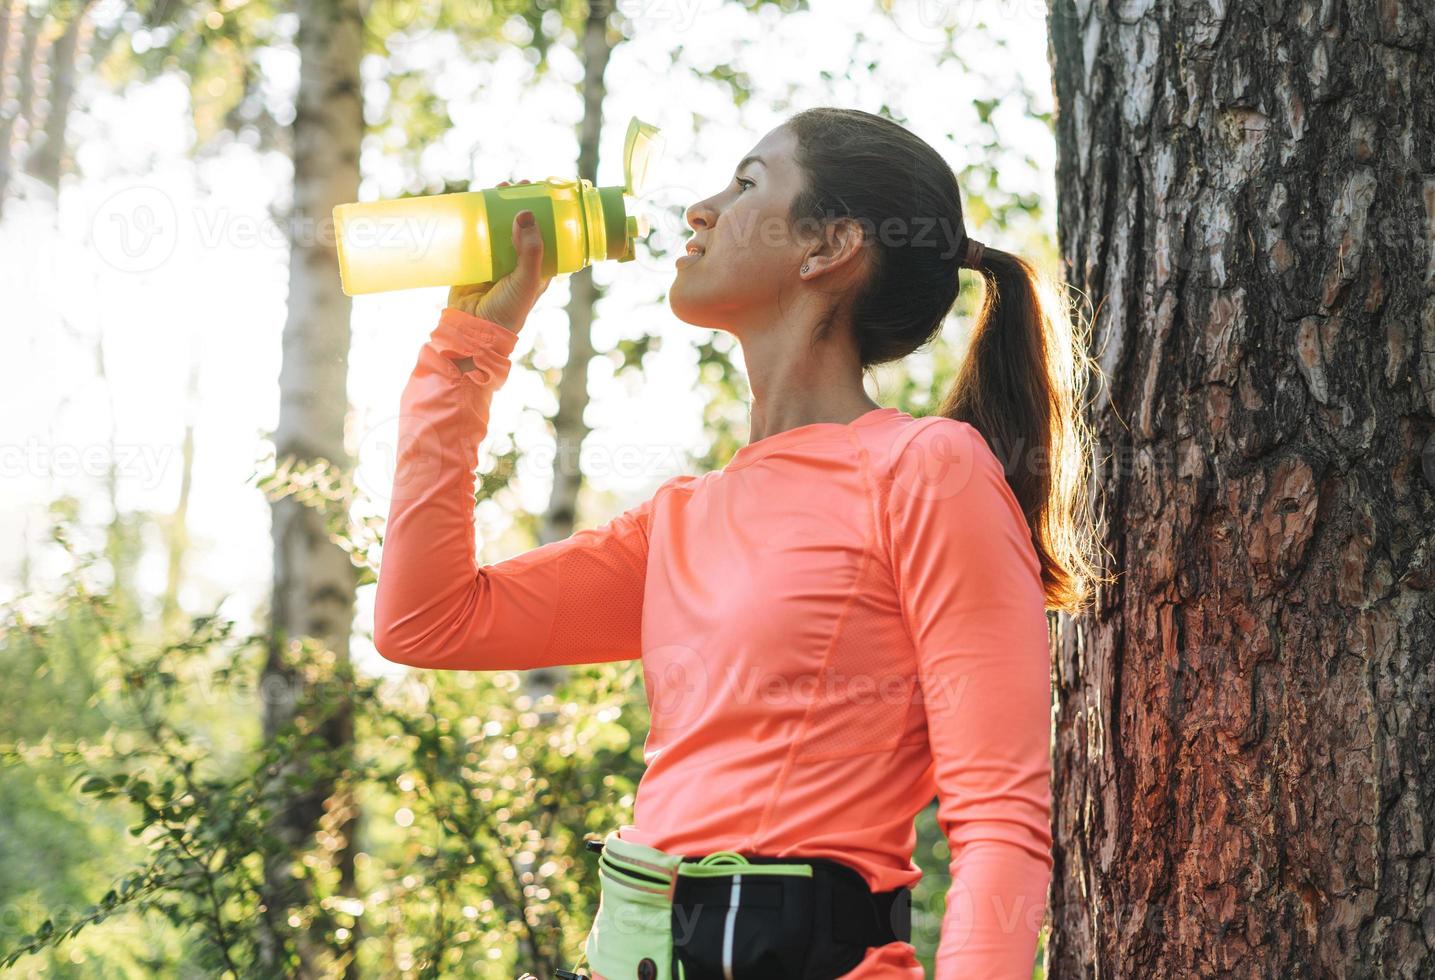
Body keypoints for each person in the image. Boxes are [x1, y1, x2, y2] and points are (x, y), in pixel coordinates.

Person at [373, 107, 1105, 979]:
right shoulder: (685, 514)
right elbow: (425, 621)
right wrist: (469, 346)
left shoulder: (929, 469)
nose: (699, 207)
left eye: (747, 183)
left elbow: (999, 822)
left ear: (827, 246)